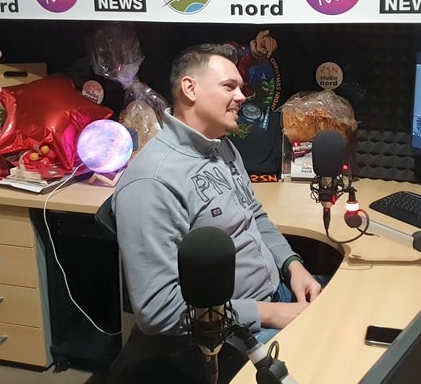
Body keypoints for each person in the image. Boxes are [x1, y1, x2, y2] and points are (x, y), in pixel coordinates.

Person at [108, 43, 325, 383]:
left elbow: (255, 216)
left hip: (277, 293)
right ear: (190, 89)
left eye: (241, 88)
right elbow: (157, 310)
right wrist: (271, 314)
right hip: (232, 332)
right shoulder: (152, 182)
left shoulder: (222, 146)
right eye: (229, 87)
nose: (242, 97)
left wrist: (292, 266)